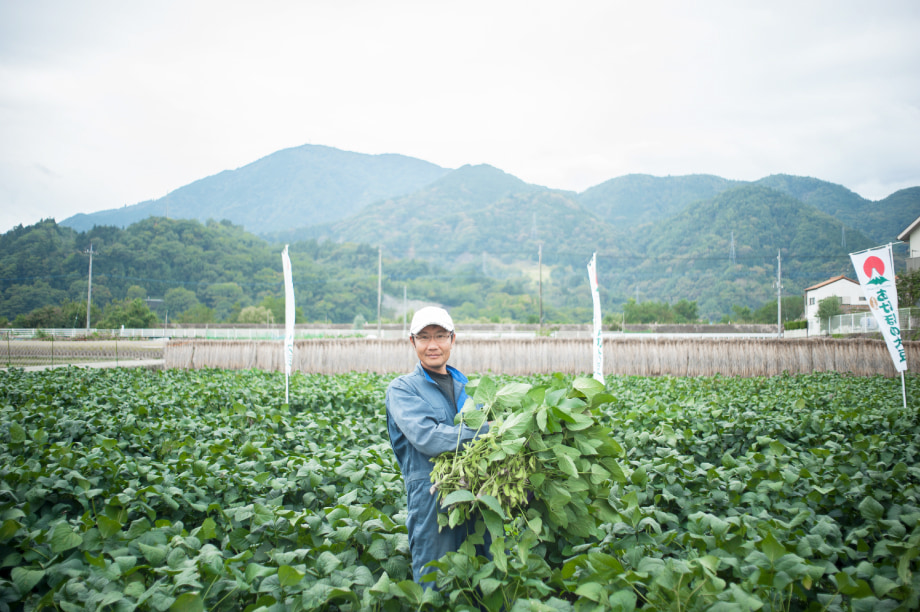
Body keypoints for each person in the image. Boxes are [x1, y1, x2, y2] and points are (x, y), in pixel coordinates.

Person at [385, 306, 490, 586]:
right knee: (437, 584)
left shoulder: (471, 389)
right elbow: (428, 438)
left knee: (484, 580)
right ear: (413, 342)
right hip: (433, 505)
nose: (433, 345)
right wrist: (490, 433)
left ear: (453, 339)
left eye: (440, 336)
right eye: (424, 337)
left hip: (478, 498)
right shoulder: (402, 389)